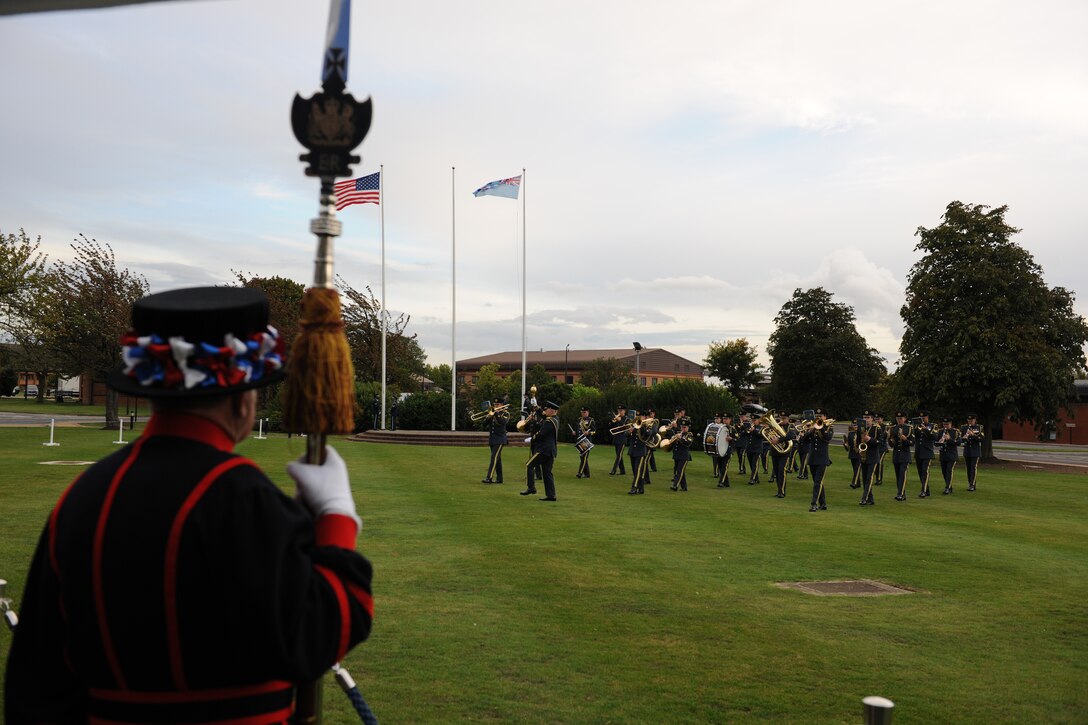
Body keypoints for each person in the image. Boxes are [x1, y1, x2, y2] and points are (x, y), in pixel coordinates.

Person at [4, 287, 374, 724]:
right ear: (242, 397)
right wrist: (336, 517)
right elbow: (321, 630)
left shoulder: (83, 494)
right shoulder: (244, 497)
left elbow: (38, 677)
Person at [522, 400, 560, 501]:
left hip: (543, 450)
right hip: (550, 450)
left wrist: (532, 438)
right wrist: (537, 407)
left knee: (529, 465)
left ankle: (531, 488)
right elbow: (543, 415)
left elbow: (541, 434)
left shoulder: (549, 422)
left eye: (547, 409)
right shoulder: (555, 419)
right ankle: (551, 495)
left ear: (552, 410)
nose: (545, 411)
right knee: (547, 473)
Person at [804, 408, 834, 511]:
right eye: (818, 416)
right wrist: (810, 430)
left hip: (822, 459)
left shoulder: (829, 427)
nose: (819, 417)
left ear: (825, 417)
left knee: (818, 482)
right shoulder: (812, 427)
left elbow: (828, 438)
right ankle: (823, 503)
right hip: (812, 458)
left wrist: (820, 428)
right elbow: (805, 440)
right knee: (817, 482)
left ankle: (814, 504)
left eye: (821, 416)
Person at [768, 411, 797, 498]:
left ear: (788, 419)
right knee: (776, 472)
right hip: (775, 451)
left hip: (785, 452)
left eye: (784, 418)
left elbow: (792, 435)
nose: (782, 420)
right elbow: (768, 435)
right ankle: (779, 490)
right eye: (781, 418)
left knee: (782, 471)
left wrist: (779, 440)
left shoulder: (790, 426)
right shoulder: (776, 426)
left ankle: (782, 491)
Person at [888, 411, 915, 501]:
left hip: (905, 455)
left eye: (901, 418)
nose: (899, 420)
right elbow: (891, 445)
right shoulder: (893, 428)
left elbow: (912, 443)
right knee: (898, 476)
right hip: (896, 455)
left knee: (902, 475)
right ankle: (902, 494)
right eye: (898, 419)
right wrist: (890, 440)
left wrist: (905, 439)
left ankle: (900, 493)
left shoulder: (909, 428)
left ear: (905, 419)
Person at [481, 398, 509, 484]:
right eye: (495, 404)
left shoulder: (505, 413)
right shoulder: (491, 413)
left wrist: (495, 414)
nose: (496, 406)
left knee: (494, 458)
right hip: (492, 439)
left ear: (502, 405)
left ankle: (489, 478)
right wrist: (489, 416)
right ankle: (500, 479)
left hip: (500, 439)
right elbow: (484, 424)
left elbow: (503, 422)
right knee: (497, 459)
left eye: (497, 405)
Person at [859, 411, 881, 505]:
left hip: (873, 456)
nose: (866, 419)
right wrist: (858, 448)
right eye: (864, 417)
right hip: (864, 456)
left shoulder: (877, 429)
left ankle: (864, 498)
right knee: (864, 478)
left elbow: (880, 442)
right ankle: (870, 499)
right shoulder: (861, 428)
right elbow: (858, 441)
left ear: (872, 419)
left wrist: (870, 439)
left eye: (868, 417)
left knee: (869, 478)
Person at [914, 410, 936, 497]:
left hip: (927, 452)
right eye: (921, 418)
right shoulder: (917, 426)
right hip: (919, 452)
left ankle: (923, 490)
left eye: (924, 417)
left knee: (925, 471)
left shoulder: (933, 426)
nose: (922, 419)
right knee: (920, 472)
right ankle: (927, 490)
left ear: (927, 417)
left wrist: (925, 430)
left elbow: (933, 437)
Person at [667, 418, 694, 491]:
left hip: (684, 456)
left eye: (684, 427)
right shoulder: (678, 433)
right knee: (678, 471)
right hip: (677, 455)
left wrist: (680, 438)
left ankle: (675, 485)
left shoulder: (689, 435)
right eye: (682, 427)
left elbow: (687, 443)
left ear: (688, 428)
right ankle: (684, 487)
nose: (683, 429)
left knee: (679, 471)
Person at [961, 413, 984, 491]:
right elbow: (960, 439)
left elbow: (981, 438)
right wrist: (963, 438)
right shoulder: (964, 427)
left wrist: (973, 435)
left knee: (973, 468)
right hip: (967, 450)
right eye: (968, 420)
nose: (970, 422)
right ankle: (970, 483)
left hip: (975, 451)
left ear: (975, 420)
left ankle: (972, 485)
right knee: (968, 468)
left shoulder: (979, 427)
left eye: (971, 420)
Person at [937, 417, 961, 494]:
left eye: (947, 424)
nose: (945, 426)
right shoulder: (940, 432)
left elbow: (958, 442)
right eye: (944, 424)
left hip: (952, 455)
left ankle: (947, 487)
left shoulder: (955, 432)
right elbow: (935, 442)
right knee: (944, 472)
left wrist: (949, 439)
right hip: (943, 455)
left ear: (951, 424)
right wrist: (939, 441)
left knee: (949, 471)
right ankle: (949, 486)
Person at [628, 410, 649, 495]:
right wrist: (629, 431)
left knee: (638, 470)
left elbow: (648, 434)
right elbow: (628, 436)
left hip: (640, 452)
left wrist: (641, 426)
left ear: (645, 417)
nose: (640, 418)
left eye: (641, 417)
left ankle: (634, 487)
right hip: (632, 451)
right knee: (635, 471)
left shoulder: (647, 426)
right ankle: (641, 488)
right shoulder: (634, 425)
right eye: (639, 417)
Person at [575, 406, 596, 478]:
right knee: (582, 457)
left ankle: (580, 473)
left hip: (587, 441)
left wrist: (589, 433)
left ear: (588, 413)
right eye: (582, 412)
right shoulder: (579, 420)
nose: (583, 414)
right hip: (580, 441)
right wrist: (575, 433)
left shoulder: (591, 420)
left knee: (584, 457)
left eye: (584, 412)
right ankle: (587, 474)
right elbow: (577, 430)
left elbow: (594, 431)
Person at [609, 405, 629, 476]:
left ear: (624, 411)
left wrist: (620, 421)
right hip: (616, 439)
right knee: (619, 455)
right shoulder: (616, 418)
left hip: (622, 439)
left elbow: (626, 427)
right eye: (618, 411)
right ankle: (622, 471)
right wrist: (613, 420)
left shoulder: (626, 419)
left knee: (618, 455)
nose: (619, 412)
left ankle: (613, 470)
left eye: (621, 410)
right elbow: (610, 426)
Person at [716, 412, 734, 488]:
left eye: (726, 419)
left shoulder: (732, 429)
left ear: (730, 420)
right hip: (720, 450)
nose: (724, 420)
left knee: (724, 467)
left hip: (728, 451)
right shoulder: (719, 428)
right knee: (720, 467)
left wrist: (731, 439)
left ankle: (721, 482)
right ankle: (727, 483)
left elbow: (737, 439)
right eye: (723, 419)